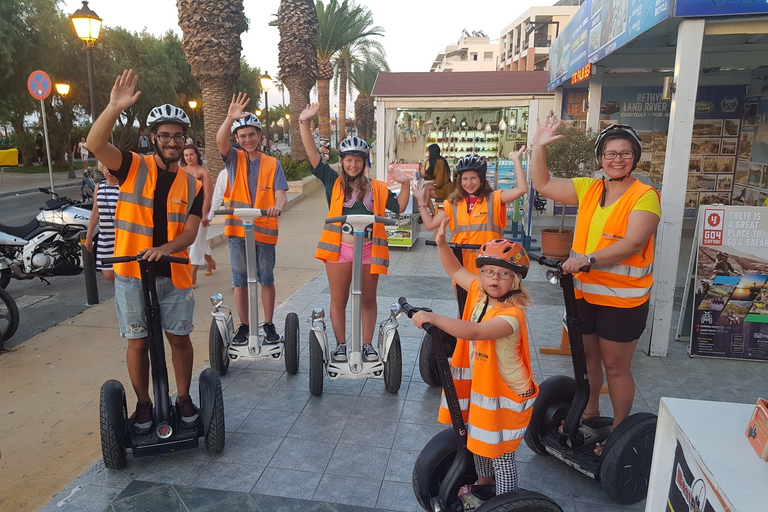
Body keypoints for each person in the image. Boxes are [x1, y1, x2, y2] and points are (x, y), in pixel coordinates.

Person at [530, 117, 660, 455]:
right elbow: (542, 183)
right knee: (587, 357)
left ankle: (619, 431)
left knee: (616, 366)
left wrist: (588, 259)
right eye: (610, 153)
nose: (617, 159)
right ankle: (589, 411)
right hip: (584, 293)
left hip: (623, 300)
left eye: (625, 154)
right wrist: (539, 146)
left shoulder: (645, 196)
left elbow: (632, 243)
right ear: (600, 157)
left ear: (635, 157)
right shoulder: (589, 187)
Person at [87, 69, 204, 435]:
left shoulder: (192, 183)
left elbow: (190, 231)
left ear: (185, 139)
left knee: (179, 339)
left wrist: (164, 250)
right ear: (153, 138)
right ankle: (143, 405)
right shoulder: (131, 165)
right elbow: (95, 143)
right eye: (165, 135)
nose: (172, 141)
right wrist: (113, 107)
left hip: (174, 273)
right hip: (131, 273)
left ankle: (183, 398)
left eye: (178, 136)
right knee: (138, 342)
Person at [410, 223, 538, 506]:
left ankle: (506, 503)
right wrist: (442, 244)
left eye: (505, 274)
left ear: (516, 280)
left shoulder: (511, 315)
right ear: (481, 274)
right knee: (478, 441)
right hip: (486, 391)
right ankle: (483, 486)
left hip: (506, 396)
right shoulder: (481, 293)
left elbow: (476, 332)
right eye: (489, 272)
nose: (496, 278)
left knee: (501, 455)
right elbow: (455, 271)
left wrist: (433, 318)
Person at [298, 103, 411, 362]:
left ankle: (368, 345)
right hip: (339, 249)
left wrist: (405, 184)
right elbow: (313, 155)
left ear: (363, 162)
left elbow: (400, 207)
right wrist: (304, 122)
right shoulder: (332, 181)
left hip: (370, 249)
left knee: (368, 300)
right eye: (348, 160)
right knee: (339, 299)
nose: (352, 165)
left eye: (357, 160)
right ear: (342, 161)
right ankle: (340, 345)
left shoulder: (377, 188)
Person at [217, 93, 288, 345]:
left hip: (264, 229)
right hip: (238, 229)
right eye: (242, 136)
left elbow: (281, 194)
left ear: (260, 136)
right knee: (240, 278)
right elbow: (219, 141)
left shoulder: (272, 163)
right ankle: (244, 325)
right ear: (237, 139)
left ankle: (268, 323)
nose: (247, 139)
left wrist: (278, 206)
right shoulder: (233, 159)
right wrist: (229, 117)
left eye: (252, 134)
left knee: (265, 277)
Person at [413, 146, 528, 275]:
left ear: (481, 178)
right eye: (465, 179)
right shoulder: (453, 204)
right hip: (461, 268)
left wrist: (516, 160)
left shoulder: (494, 199)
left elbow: (522, 189)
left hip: (489, 268)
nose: (469, 183)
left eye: (473, 178)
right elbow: (429, 224)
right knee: (462, 296)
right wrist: (420, 200)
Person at [181, 144, 216, 286]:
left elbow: (208, 195)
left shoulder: (203, 173)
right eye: (186, 155)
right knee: (200, 240)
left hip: (201, 211)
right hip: (184, 212)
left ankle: (192, 275)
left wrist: (204, 215)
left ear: (197, 155)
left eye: (191, 154)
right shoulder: (181, 171)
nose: (189, 157)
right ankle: (210, 262)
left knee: (196, 243)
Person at [84, 162, 120, 282]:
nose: (108, 171)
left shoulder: (123, 186)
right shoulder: (99, 186)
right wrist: (88, 236)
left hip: (121, 237)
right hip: (105, 238)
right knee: (108, 273)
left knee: (124, 272)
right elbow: (95, 213)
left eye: (111, 168)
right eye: (105, 168)